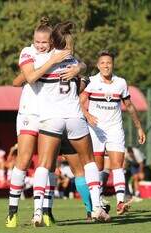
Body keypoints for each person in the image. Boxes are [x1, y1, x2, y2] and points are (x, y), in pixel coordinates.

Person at [6, 17, 84, 228]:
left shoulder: (55, 53)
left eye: (44, 42)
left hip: (50, 114)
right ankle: (12, 212)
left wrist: (78, 68)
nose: (40, 45)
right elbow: (29, 78)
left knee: (48, 164)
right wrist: (52, 61)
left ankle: (44, 211)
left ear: (51, 42)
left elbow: (79, 61)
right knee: (23, 160)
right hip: (29, 114)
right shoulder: (28, 52)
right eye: (37, 41)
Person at [31, 21, 110, 227]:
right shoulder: (72, 61)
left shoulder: (40, 58)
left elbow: (30, 77)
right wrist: (79, 68)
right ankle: (97, 209)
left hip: (51, 118)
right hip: (74, 117)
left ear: (50, 42)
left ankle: (37, 212)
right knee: (89, 162)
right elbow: (83, 74)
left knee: (44, 165)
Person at [80, 50, 146, 215]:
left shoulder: (121, 83)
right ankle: (98, 198)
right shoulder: (92, 81)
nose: (106, 66)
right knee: (98, 167)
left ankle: (120, 202)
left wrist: (139, 127)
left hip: (115, 129)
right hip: (95, 130)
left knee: (118, 165)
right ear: (98, 65)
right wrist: (87, 115)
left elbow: (129, 106)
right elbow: (79, 102)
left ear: (113, 64)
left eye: (108, 63)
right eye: (102, 63)